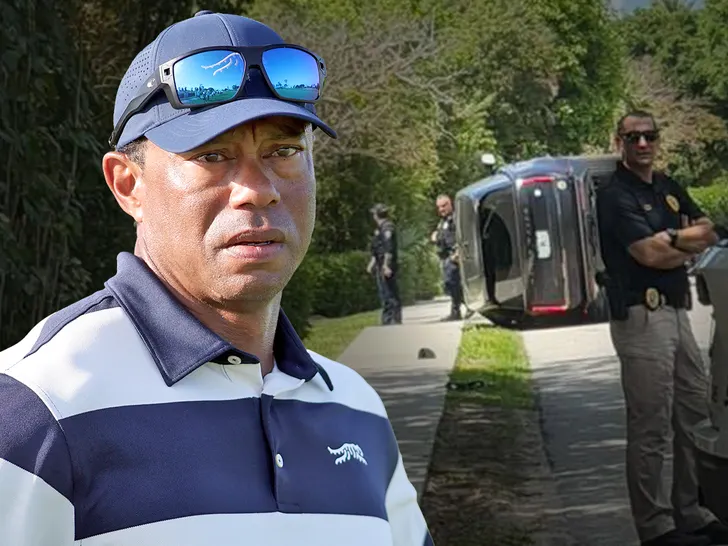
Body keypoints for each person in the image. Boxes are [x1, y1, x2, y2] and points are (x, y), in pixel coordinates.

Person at [0, 11, 432, 546]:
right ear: (128, 186)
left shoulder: (357, 409)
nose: (258, 189)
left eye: (283, 151)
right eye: (211, 155)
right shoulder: (35, 409)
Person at [597, 110, 726, 546]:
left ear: (658, 139)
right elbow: (648, 255)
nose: (642, 144)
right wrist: (682, 242)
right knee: (650, 424)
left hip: (677, 311)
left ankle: (690, 511)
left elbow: (708, 230)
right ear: (619, 142)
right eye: (633, 137)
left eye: (649, 136)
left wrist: (672, 241)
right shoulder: (615, 196)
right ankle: (654, 526)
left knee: (695, 415)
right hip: (641, 315)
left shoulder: (668, 187)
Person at [430, 194, 472, 321]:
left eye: (444, 206)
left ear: (450, 204)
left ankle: (463, 307)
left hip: (455, 257)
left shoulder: (456, 218)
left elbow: (464, 235)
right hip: (446, 256)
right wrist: (435, 237)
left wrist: (458, 253)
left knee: (451, 282)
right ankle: (460, 309)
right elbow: (442, 237)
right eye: (439, 207)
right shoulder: (443, 221)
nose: (441, 209)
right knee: (450, 285)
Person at [367, 203, 402, 325]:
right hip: (380, 263)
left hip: (386, 264)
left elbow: (388, 247)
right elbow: (377, 248)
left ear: (376, 215)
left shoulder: (387, 227)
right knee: (384, 293)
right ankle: (387, 319)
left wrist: (386, 265)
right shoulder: (380, 228)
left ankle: (393, 318)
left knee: (389, 292)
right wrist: (372, 263)